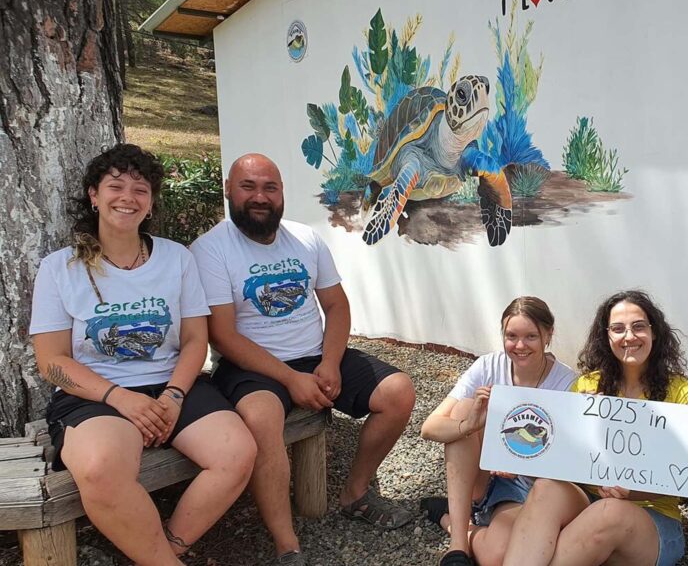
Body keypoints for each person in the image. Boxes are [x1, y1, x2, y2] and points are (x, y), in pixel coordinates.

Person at [29, 144, 257, 566]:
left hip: (173, 382)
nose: (128, 198)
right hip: (94, 394)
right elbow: (52, 362)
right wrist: (119, 397)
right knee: (100, 469)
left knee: (236, 452)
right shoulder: (60, 268)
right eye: (115, 186)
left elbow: (195, 340)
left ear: (151, 203)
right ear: (94, 195)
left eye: (141, 189)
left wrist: (173, 396)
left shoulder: (177, 258)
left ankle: (166, 549)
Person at [189, 153, 416, 565]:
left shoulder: (305, 238)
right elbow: (221, 334)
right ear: (228, 189)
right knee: (261, 419)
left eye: (270, 188)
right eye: (248, 187)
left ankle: (356, 494)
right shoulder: (210, 250)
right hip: (251, 367)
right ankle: (287, 545)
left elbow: (337, 306)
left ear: (282, 193)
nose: (260, 197)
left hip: (314, 355)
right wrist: (291, 379)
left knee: (398, 392)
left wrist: (329, 362)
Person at [502, 290, 688, 566]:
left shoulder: (683, 393)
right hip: (589, 502)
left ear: (654, 332)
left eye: (638, 326)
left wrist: (632, 491)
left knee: (609, 511)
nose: (629, 336)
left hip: (652, 519)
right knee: (547, 488)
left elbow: (686, 480)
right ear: (606, 337)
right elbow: (563, 459)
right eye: (617, 329)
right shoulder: (587, 386)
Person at [419, 297, 577, 566]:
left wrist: (521, 465)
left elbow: (566, 464)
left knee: (496, 556)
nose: (520, 346)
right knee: (464, 409)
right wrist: (469, 425)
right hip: (481, 477)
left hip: (526, 486)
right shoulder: (488, 366)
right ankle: (457, 546)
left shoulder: (566, 382)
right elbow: (429, 427)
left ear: (548, 335)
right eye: (511, 336)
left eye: (530, 336)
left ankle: (451, 519)